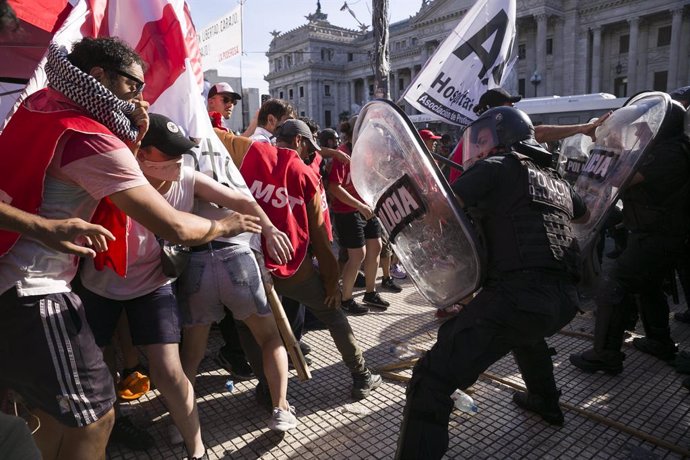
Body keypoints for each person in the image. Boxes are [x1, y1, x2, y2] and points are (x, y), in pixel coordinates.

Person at [0, 37, 257, 460]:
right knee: (97, 416)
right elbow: (173, 225)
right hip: (33, 292)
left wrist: (131, 143)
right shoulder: (91, 137)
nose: (141, 97)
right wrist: (227, 224)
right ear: (99, 77)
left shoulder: (38, 106)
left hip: (20, 286)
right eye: (133, 85)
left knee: (56, 415)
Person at [396, 107, 585, 459]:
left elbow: (441, 209)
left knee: (430, 380)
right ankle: (545, 403)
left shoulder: (495, 167)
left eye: (482, 139)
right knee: (527, 335)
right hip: (564, 300)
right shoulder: (556, 180)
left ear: (502, 138)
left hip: (517, 296)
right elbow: (585, 214)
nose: (478, 148)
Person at [240, 119, 383, 400]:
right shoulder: (302, 172)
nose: (310, 154)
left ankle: (267, 386)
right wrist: (332, 282)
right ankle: (361, 375)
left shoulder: (249, 157)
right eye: (309, 148)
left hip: (249, 264)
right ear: (298, 142)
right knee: (332, 313)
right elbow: (320, 236)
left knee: (249, 325)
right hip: (291, 265)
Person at [570, 100, 690, 374]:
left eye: (644, 128)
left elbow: (618, 177)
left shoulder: (670, 154)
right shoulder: (665, 149)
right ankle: (660, 341)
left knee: (615, 281)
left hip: (659, 236)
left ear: (664, 127)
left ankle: (605, 355)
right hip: (654, 234)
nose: (637, 134)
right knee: (647, 285)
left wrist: (610, 141)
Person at [329, 118, 391, 314]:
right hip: (347, 210)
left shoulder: (366, 152)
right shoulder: (343, 153)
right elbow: (334, 187)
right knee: (357, 255)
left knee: (377, 247)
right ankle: (346, 299)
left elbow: (370, 174)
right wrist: (358, 205)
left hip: (365, 206)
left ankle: (370, 292)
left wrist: (389, 183)